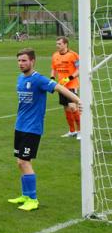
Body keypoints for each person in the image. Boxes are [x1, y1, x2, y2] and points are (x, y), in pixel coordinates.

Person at [8, 48, 81, 211]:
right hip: (20, 126)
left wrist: (78, 100)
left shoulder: (39, 79)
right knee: (20, 162)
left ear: (32, 61)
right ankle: (25, 195)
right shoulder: (20, 78)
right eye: (19, 60)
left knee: (24, 161)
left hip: (32, 128)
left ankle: (33, 200)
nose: (21, 64)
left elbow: (59, 88)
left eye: (24, 60)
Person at [50, 36, 81, 139]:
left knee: (73, 107)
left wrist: (69, 78)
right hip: (61, 86)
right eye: (56, 44)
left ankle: (80, 131)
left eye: (59, 44)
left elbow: (79, 69)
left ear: (65, 44)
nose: (57, 46)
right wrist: (52, 78)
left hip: (72, 85)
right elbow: (53, 69)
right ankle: (72, 131)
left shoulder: (73, 55)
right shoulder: (55, 55)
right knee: (66, 109)